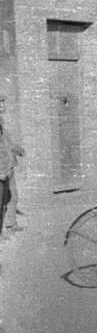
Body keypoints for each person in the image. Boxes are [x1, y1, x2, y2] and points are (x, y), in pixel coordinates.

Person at [0, 94, 25, 233]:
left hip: (8, 167)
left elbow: (7, 142)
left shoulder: (1, 122)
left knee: (12, 195)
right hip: (2, 169)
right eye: (0, 103)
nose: (3, 106)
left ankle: (10, 223)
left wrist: (17, 149)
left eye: (3, 103)